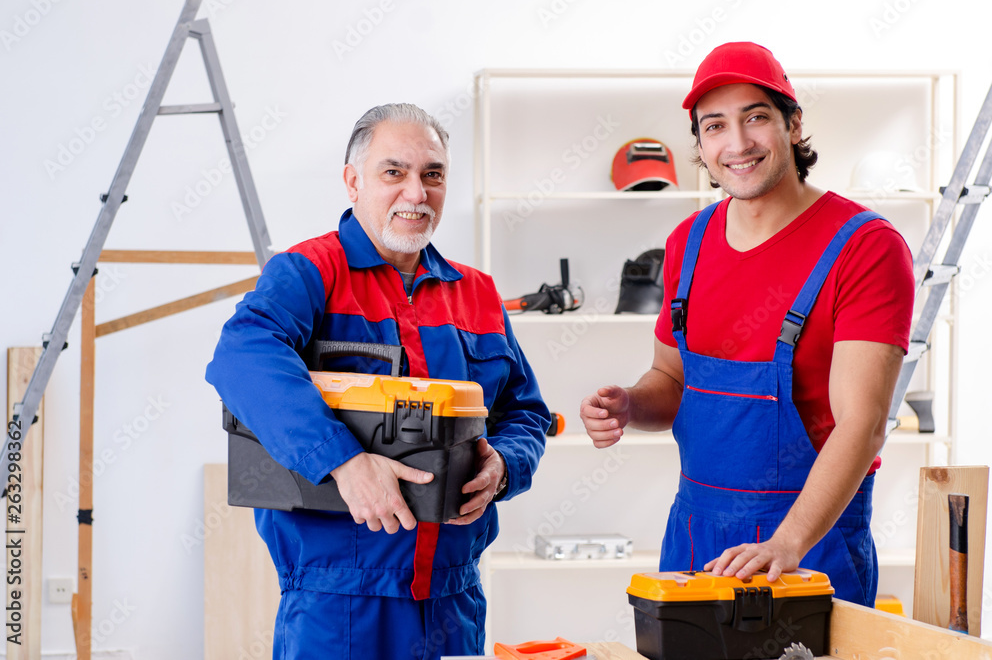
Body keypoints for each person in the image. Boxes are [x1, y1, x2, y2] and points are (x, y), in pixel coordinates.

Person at [207, 103, 549, 659]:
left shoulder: (479, 294)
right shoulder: (310, 273)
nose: (416, 193)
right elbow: (243, 357)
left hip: (452, 598)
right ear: (353, 182)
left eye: (432, 174)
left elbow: (525, 412)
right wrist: (343, 461)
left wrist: (506, 464)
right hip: (336, 604)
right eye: (394, 172)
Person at [580, 42, 914, 606]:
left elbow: (863, 424)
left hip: (810, 549)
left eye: (755, 117)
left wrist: (786, 544)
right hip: (694, 543)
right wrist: (632, 406)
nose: (737, 144)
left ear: (793, 124)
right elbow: (672, 376)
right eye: (715, 126)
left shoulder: (865, 248)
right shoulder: (689, 241)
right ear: (700, 144)